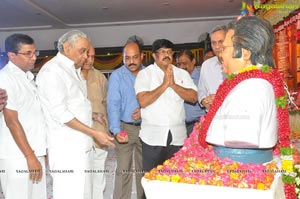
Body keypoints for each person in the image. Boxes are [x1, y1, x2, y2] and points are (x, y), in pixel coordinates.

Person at [36, 30, 114, 199]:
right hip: (67, 151)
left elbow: (76, 106)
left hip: (82, 148)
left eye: (87, 52)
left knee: (85, 194)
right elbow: (61, 113)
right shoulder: (53, 71)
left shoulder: (73, 70)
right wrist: (94, 133)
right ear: (66, 47)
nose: (86, 56)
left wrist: (93, 118)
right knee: (70, 194)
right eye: (82, 51)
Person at [200, 16, 279, 164]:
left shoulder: (249, 90)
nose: (220, 54)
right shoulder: (251, 83)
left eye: (225, 48)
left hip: (238, 167)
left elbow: (240, 138)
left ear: (245, 53)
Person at [135, 39, 198, 172]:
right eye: (162, 52)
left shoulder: (182, 73)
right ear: (154, 55)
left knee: (175, 179)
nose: (167, 55)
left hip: (177, 137)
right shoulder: (145, 74)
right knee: (151, 179)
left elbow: (193, 97)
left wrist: (173, 85)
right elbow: (143, 101)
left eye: (169, 52)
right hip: (152, 137)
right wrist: (164, 85)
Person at [0, 34, 47, 199]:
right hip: (17, 156)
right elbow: (12, 121)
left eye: (35, 52)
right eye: (28, 54)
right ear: (12, 56)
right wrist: (30, 156)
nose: (34, 57)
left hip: (35, 152)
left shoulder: (28, 77)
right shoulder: (5, 78)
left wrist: (40, 154)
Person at [107, 41, 144, 199]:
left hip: (147, 128)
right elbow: (113, 104)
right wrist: (116, 130)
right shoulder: (117, 76)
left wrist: (145, 112)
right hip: (124, 128)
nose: (131, 62)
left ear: (142, 56)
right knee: (123, 170)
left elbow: (158, 100)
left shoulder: (150, 73)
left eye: (135, 57)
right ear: (122, 58)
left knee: (145, 170)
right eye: (127, 58)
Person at [81, 45, 109, 199]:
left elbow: (105, 103)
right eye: (87, 55)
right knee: (84, 177)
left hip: (99, 132)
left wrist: (108, 128)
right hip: (79, 133)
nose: (90, 60)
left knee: (99, 173)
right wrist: (92, 115)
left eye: (93, 56)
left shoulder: (100, 77)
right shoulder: (71, 77)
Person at [175, 49, 206, 136]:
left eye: (184, 63)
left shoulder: (202, 78)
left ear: (193, 61)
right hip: (181, 126)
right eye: (178, 64)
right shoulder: (176, 79)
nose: (181, 67)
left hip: (199, 124)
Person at [198, 25, 227, 110]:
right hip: (212, 116)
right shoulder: (206, 65)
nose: (217, 46)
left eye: (220, 41)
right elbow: (201, 92)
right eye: (213, 43)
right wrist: (207, 103)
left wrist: (219, 99)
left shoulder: (238, 63)